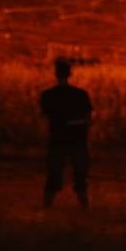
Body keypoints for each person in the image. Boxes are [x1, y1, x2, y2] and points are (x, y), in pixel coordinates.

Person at [40, 58, 93, 208]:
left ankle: (46, 209)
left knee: (53, 175)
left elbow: (45, 119)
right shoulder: (81, 94)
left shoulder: (47, 95)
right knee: (80, 177)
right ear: (70, 74)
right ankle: (85, 209)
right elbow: (88, 119)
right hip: (78, 140)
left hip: (57, 139)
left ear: (55, 74)